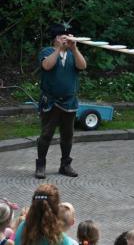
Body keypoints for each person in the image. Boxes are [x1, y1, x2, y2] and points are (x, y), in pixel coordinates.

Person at [36, 23, 87, 179]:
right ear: (55, 39)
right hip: (51, 101)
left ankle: (65, 165)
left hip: (69, 102)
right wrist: (58, 49)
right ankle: (41, 165)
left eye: (67, 36)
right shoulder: (47, 51)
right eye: (61, 36)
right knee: (46, 135)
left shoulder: (73, 54)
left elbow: (82, 66)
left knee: (67, 136)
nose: (65, 39)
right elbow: (47, 65)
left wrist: (74, 48)